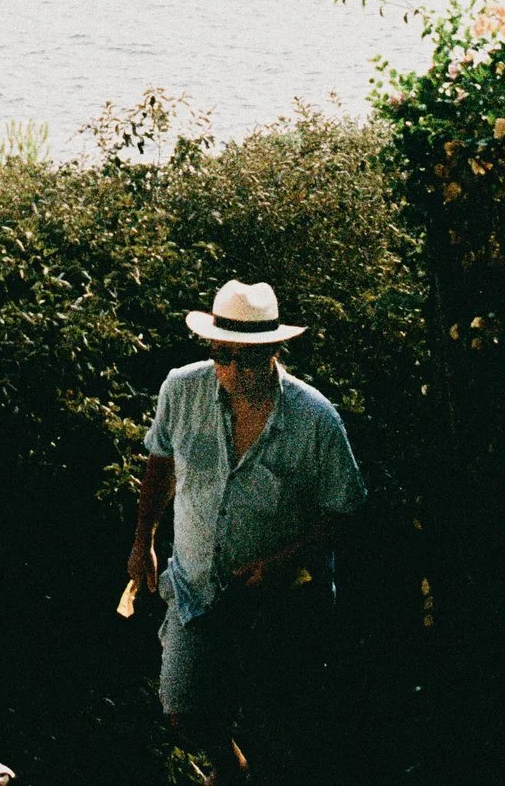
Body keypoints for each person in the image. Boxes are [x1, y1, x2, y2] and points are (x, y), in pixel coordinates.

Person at [127, 280, 367, 784]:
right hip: (197, 584)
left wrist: (282, 563)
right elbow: (161, 462)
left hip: (281, 599)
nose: (233, 370)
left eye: (248, 359)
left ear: (275, 352)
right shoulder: (182, 389)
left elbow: (344, 509)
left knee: (279, 724)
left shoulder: (316, 420)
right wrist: (143, 540)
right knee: (183, 705)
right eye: (223, 356)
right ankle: (230, 768)